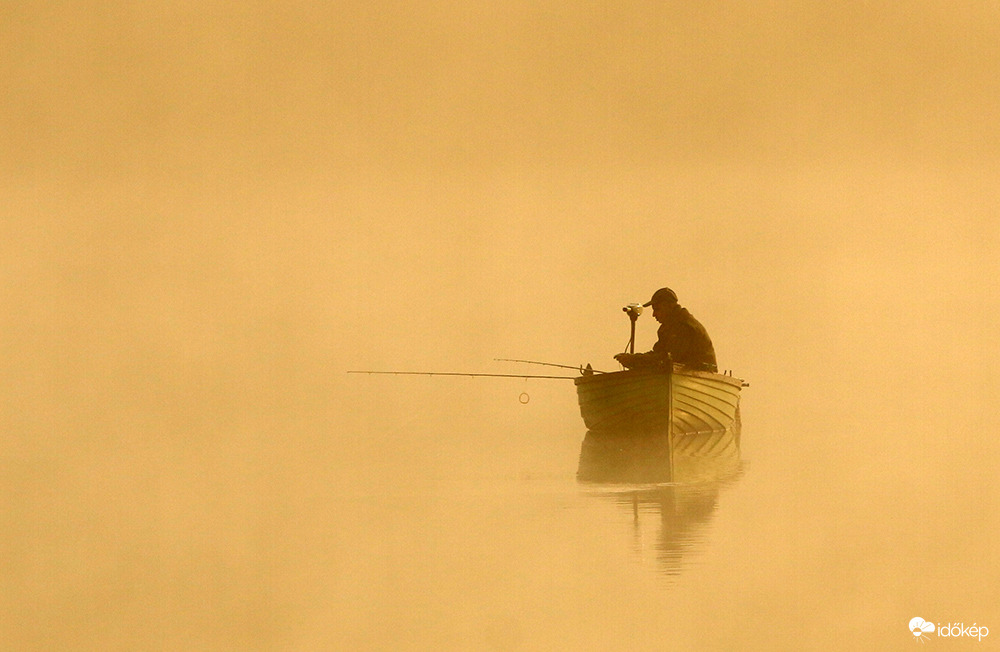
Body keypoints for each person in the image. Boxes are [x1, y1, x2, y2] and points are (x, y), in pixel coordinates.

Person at [613, 287, 718, 372]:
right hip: (686, 376)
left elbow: (670, 358)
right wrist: (634, 359)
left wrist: (634, 360)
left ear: (668, 306)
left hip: (701, 374)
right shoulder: (670, 327)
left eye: (657, 309)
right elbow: (659, 354)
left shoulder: (683, 325)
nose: (654, 315)